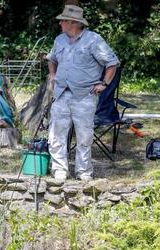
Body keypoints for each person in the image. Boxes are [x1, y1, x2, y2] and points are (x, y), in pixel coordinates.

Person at [46, 5, 120, 181]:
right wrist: (52, 74)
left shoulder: (93, 40)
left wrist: (104, 83)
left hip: (85, 95)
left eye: (63, 20)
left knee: (84, 135)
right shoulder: (60, 40)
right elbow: (51, 58)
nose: (60, 23)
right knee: (56, 133)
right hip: (61, 94)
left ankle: (83, 171)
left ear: (74, 23)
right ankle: (59, 170)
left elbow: (112, 63)